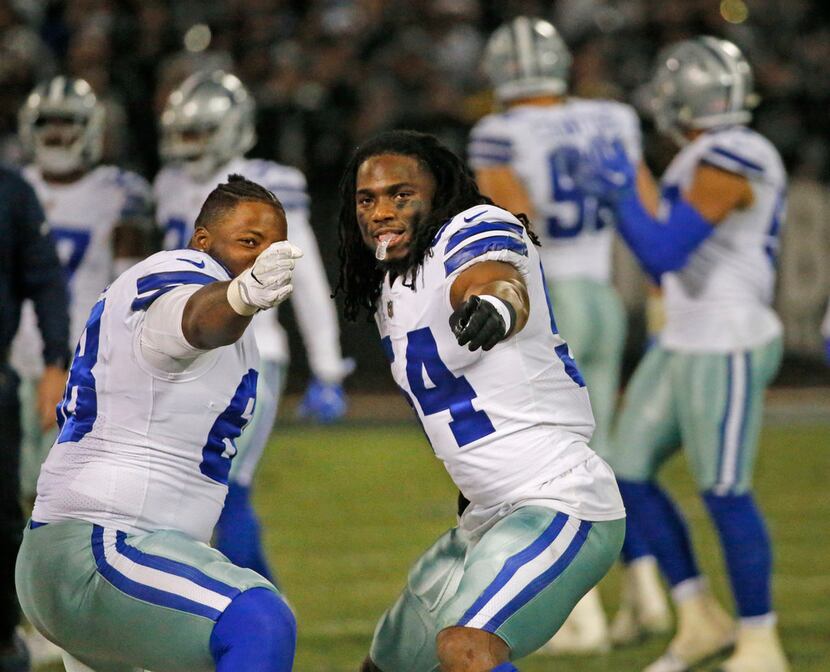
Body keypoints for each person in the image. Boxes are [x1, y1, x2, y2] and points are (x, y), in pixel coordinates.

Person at [335, 129, 626, 672]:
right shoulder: (390, 288)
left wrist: (495, 303)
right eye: (367, 199)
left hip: (559, 497)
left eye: (402, 194)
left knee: (468, 648)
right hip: (487, 514)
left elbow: (496, 277)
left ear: (439, 191)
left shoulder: (471, 226)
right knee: (387, 666)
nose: (381, 211)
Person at [15, 175, 302, 672]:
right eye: (249, 243)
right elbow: (186, 318)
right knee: (259, 621)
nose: (261, 260)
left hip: (112, 551)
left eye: (273, 249)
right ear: (203, 241)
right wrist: (241, 295)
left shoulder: (235, 327)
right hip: (102, 544)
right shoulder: (181, 271)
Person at [587, 37, 790, 672]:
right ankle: (699, 614)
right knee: (625, 469)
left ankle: (761, 640)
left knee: (724, 489)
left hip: (727, 339)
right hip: (686, 335)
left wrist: (620, 193)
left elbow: (663, 251)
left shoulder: (738, 153)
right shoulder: (702, 153)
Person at [469, 16, 670, 652]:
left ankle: (578, 618)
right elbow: (648, 208)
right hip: (607, 295)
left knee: (551, 467)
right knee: (601, 456)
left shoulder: (499, 132)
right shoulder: (611, 118)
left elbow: (513, 222)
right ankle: (645, 593)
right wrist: (662, 292)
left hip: (551, 302)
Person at [154, 70, 351, 584]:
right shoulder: (169, 184)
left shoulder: (270, 184)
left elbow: (305, 278)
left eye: (200, 132)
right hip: (186, 351)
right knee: (194, 491)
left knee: (226, 488)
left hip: (252, 353)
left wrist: (327, 368)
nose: (188, 145)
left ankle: (254, 619)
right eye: (185, 132)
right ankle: (261, 612)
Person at [12, 75, 152, 508]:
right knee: (15, 490)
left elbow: (131, 288)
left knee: (62, 497)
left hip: (84, 363)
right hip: (13, 357)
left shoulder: (117, 193)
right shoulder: (14, 188)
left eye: (66, 122)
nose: (55, 133)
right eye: (47, 122)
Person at [0, 165, 69, 672]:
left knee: (3, 517)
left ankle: (5, 635)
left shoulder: (11, 191)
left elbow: (46, 279)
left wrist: (54, 362)